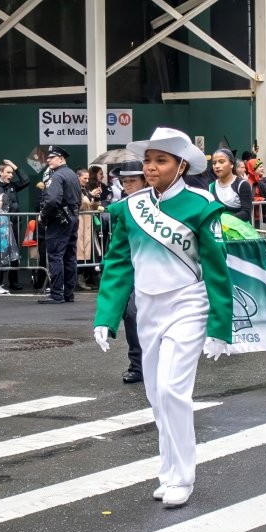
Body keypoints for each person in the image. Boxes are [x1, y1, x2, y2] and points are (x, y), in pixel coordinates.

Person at [92, 128, 232, 508]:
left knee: (172, 390)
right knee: (156, 395)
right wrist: (105, 315)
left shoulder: (202, 206)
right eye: (149, 160)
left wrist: (221, 326)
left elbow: (217, 270)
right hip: (149, 309)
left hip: (188, 305)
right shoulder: (131, 207)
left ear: (181, 165)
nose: (151, 168)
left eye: (161, 161)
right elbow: (118, 264)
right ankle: (168, 471)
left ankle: (183, 477)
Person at [111, 160, 148, 384]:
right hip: (133, 268)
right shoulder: (124, 205)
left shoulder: (160, 203)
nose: (127, 185)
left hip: (160, 269)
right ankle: (137, 364)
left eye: (132, 180)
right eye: (124, 181)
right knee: (131, 313)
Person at [38, 145, 81, 305]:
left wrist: (43, 215)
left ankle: (57, 294)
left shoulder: (57, 176)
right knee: (70, 256)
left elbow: (52, 200)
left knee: (55, 255)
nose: (48, 160)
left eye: (52, 157)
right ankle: (68, 293)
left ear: (61, 158)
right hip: (73, 217)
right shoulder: (72, 174)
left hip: (59, 220)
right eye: (48, 157)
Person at [0, 159, 30, 291]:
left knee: (14, 252)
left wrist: (14, 166)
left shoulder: (13, 185)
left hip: (15, 223)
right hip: (1, 225)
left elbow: (26, 181)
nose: (11, 175)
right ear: (1, 172)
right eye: (8, 172)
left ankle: (14, 281)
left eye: (12, 173)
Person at [208, 149, 254, 223]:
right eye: (214, 163)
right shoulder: (211, 186)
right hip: (217, 231)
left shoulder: (242, 185)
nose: (217, 166)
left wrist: (223, 220)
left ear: (232, 164)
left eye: (221, 162)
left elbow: (246, 213)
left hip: (239, 231)